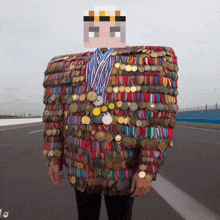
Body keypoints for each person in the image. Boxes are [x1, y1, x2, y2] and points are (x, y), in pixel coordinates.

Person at [43, 6, 178, 220]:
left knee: (121, 217)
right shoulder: (65, 68)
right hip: (82, 165)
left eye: (110, 27)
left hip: (122, 167)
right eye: (97, 27)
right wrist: (53, 156)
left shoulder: (146, 63)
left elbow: (155, 122)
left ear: (119, 31)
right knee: (85, 217)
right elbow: (54, 115)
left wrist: (146, 170)